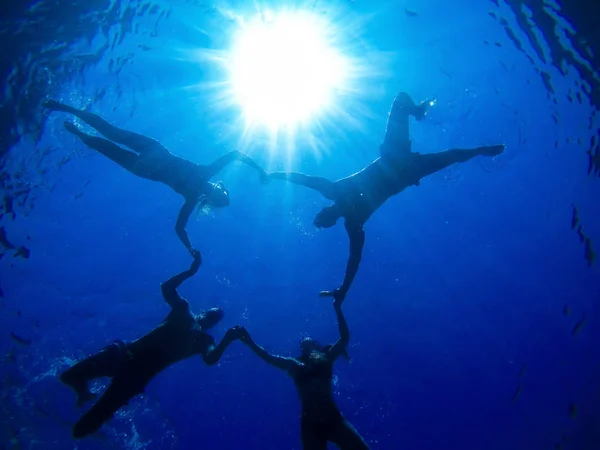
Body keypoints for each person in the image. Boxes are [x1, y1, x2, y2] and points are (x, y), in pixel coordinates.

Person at [269, 92, 505, 303]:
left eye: (321, 214)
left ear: (324, 210)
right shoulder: (353, 222)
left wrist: (272, 174)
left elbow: (302, 178)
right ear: (330, 220)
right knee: (451, 155)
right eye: (324, 218)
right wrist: (343, 289)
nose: (326, 214)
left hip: (393, 158)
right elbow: (354, 259)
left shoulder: (335, 194)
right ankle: (480, 150)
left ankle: (419, 110)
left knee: (401, 101)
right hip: (404, 170)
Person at [44, 99, 268, 258]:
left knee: (108, 147)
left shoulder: (192, 196)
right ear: (220, 189)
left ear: (211, 199)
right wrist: (260, 169)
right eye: (221, 194)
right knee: (111, 133)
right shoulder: (205, 174)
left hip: (146, 168)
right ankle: (65, 108)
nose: (217, 194)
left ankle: (79, 132)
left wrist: (190, 249)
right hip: (154, 154)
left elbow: (180, 228)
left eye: (217, 198)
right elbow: (236, 154)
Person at [59, 254, 245, 438]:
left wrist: (227, 339)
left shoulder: (204, 341)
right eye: (213, 314)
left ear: (213, 325)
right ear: (204, 311)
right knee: (70, 376)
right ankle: (83, 392)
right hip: (125, 354)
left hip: (136, 376)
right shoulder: (183, 311)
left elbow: (210, 358)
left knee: (87, 426)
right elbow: (166, 287)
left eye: (215, 319)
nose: (213, 318)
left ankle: (75, 417)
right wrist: (190, 271)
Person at [239, 299, 368, 450]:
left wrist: (338, 308)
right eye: (303, 345)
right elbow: (268, 357)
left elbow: (344, 338)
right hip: (310, 425)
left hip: (333, 419)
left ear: (316, 346)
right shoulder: (293, 364)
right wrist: (249, 341)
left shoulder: (326, 359)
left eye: (309, 343)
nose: (305, 345)